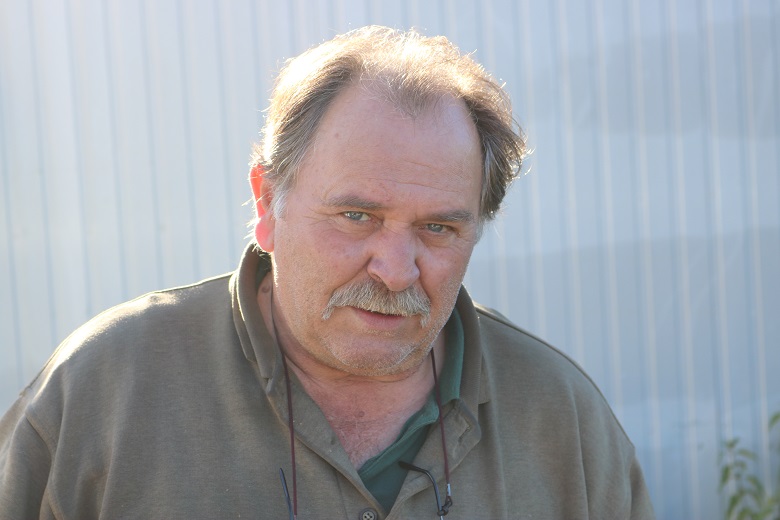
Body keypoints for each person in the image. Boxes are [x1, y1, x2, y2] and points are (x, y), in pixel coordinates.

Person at [0, 26, 654, 519]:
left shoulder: (562, 418)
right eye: (357, 216)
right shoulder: (103, 393)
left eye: (438, 228)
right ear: (266, 203)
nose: (395, 271)